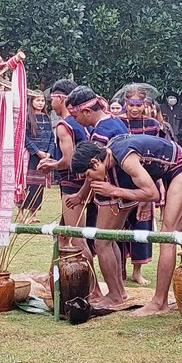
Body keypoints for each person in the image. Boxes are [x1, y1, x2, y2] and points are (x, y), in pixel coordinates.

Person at [72, 134, 182, 316]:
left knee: (167, 237)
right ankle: (118, 293)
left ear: (95, 162)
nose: (91, 180)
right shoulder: (110, 152)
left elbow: (152, 194)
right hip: (171, 171)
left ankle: (159, 302)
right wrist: (80, 196)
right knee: (106, 239)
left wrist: (114, 190)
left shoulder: (125, 159)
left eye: (88, 175)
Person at [37, 80, 102, 300]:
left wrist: (51, 165)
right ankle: (50, 276)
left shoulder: (65, 125)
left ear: (62, 98)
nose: (50, 102)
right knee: (63, 236)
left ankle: (94, 288)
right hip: (86, 182)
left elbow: (68, 159)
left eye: (53, 98)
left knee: (77, 237)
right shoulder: (84, 122)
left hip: (72, 185)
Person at [65, 85, 130, 306]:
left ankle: (114, 294)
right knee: (109, 241)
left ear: (86, 111)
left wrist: (81, 195)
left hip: (111, 190)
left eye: (75, 115)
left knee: (102, 243)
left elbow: (94, 171)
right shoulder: (116, 122)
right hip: (121, 189)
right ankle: (119, 291)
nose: (76, 121)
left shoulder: (102, 132)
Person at [120, 84, 163, 285]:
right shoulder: (118, 123)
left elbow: (160, 153)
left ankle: (137, 271)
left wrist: (158, 181)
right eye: (131, 105)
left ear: (145, 104)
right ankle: (119, 266)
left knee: (142, 225)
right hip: (121, 177)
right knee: (118, 224)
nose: (135, 109)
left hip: (146, 178)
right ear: (125, 104)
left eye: (139, 105)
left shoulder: (154, 125)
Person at [22, 91, 54, 216]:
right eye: (38, 100)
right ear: (31, 101)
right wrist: (37, 151)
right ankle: (22, 212)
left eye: (42, 101)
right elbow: (25, 138)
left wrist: (49, 153)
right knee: (28, 183)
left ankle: (33, 213)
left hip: (44, 156)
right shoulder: (27, 117)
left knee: (38, 185)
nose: (40, 103)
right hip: (31, 156)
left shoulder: (46, 118)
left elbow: (52, 137)